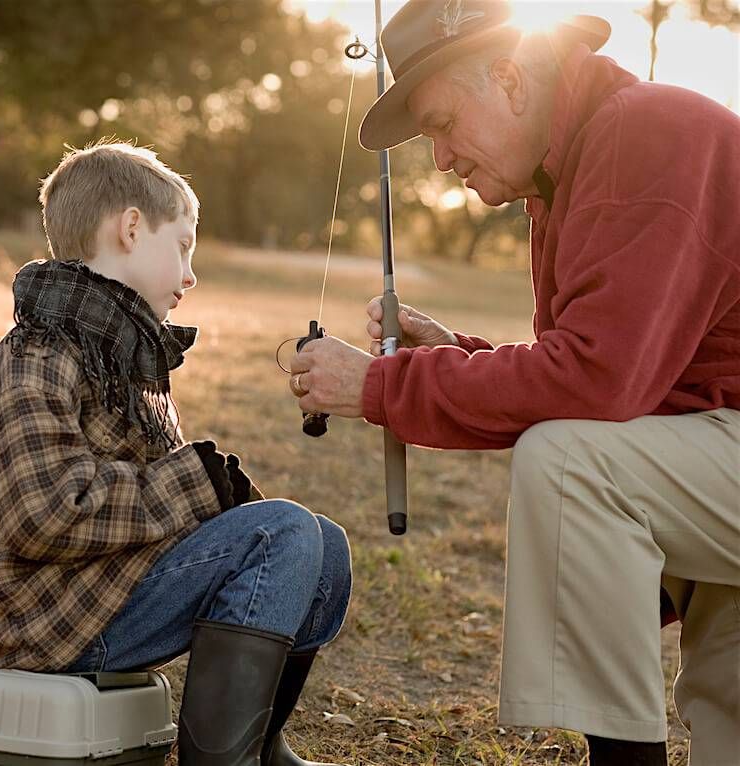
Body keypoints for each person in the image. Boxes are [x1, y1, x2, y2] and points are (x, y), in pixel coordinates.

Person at [287, 2, 740, 765]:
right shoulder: (574, 166)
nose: (438, 159)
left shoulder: (641, 132)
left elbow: (596, 382)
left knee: (570, 464)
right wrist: (454, 352)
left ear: (507, 77)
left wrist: (382, 386)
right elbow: (614, 365)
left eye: (440, 123)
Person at [0, 140, 353, 766]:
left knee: (322, 545)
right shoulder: (35, 359)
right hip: (48, 616)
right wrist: (194, 486)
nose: (191, 274)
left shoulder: (125, 359)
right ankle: (218, 761)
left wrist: (217, 506)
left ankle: (259, 746)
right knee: (283, 533)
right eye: (184, 245)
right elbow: (44, 516)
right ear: (132, 229)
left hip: (106, 592)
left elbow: (149, 510)